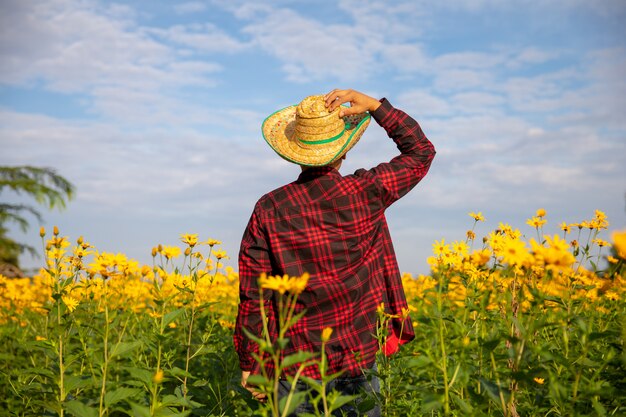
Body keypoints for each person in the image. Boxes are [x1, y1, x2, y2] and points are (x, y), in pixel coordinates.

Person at [234, 88, 436, 415]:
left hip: (295, 365)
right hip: (356, 359)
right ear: (343, 153)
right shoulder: (365, 192)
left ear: (296, 155)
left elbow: (254, 296)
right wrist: (374, 106)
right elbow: (421, 151)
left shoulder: (269, 208)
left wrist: (250, 361)